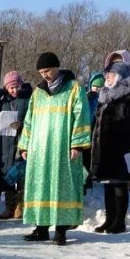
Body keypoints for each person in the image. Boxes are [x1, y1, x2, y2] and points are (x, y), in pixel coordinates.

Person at [18, 52, 91, 246]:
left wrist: (77, 144)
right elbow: (29, 120)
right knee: (41, 187)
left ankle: (60, 231)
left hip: (62, 148)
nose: (45, 75)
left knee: (62, 187)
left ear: (57, 67)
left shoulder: (74, 88)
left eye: (47, 70)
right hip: (40, 151)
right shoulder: (38, 93)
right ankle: (41, 229)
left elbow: (82, 116)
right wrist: (25, 145)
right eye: (41, 72)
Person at [90, 59, 130, 235]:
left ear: (119, 76)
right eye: (106, 74)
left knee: (119, 186)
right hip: (104, 148)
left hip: (121, 148)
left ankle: (119, 221)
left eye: (110, 74)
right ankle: (109, 219)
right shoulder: (105, 96)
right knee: (107, 185)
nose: (107, 77)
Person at [0, 70, 32, 219]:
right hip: (5, 142)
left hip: (22, 141)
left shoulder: (28, 99)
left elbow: (34, 118)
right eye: (10, 87)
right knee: (8, 175)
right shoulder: (3, 101)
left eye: (16, 86)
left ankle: (21, 206)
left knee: (22, 175)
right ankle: (9, 206)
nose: (14, 90)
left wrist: (22, 124)